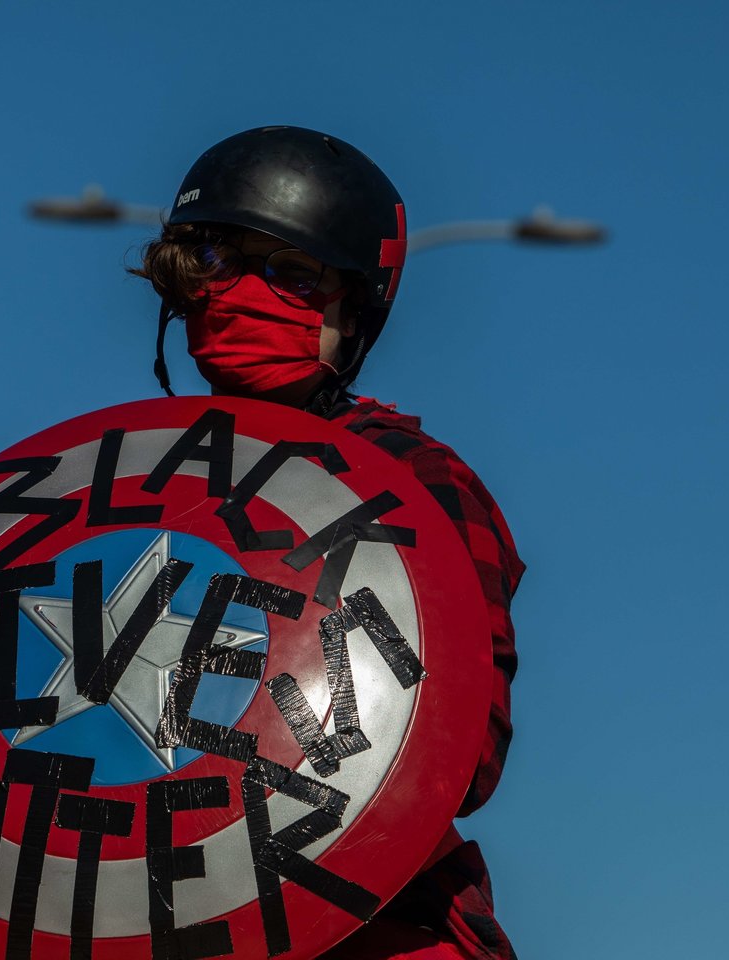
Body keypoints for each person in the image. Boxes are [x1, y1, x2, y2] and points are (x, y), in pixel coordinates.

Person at [131, 126, 526, 960]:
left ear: (351, 309)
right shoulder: (126, 485)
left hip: (373, 928)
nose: (242, 292)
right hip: (153, 914)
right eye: (217, 261)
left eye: (291, 272)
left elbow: (461, 752)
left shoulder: (412, 477)